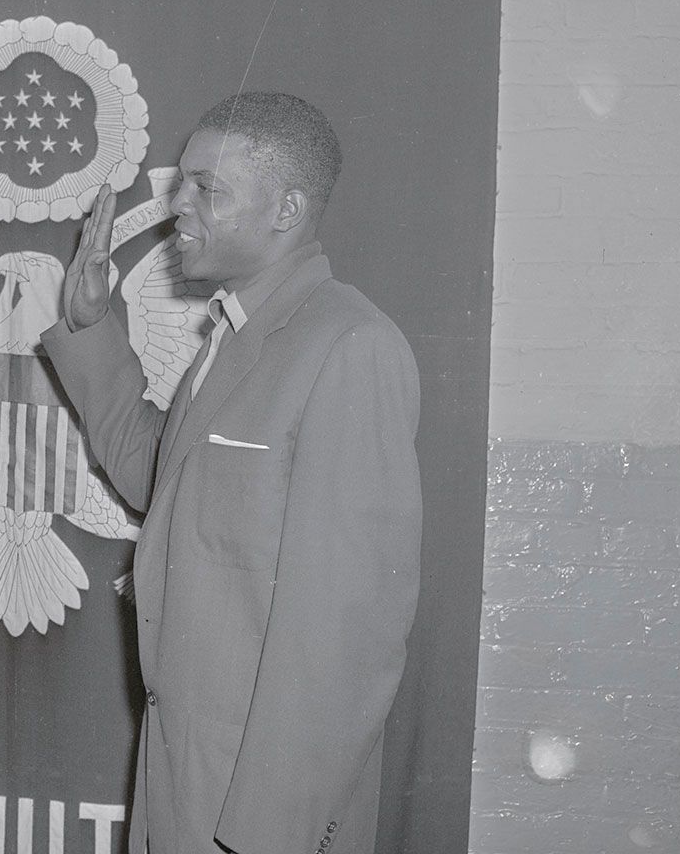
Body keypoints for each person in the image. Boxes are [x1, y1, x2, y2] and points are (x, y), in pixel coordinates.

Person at [40, 92, 422, 854]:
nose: (175, 205)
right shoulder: (239, 332)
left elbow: (347, 639)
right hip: (185, 780)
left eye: (205, 188)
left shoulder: (347, 346)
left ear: (287, 209)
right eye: (181, 182)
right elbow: (166, 480)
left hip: (255, 810)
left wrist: (265, 835)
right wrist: (92, 328)